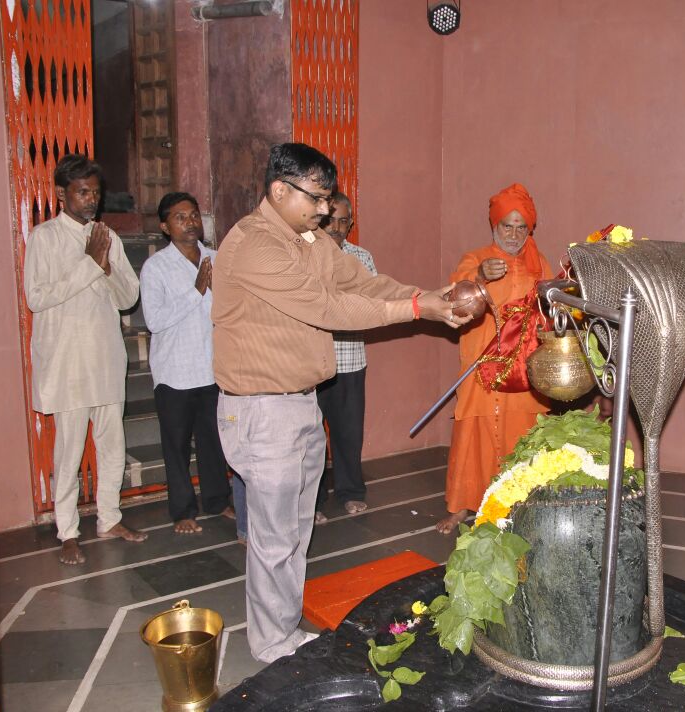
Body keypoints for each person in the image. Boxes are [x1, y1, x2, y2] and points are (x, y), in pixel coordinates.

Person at [212, 142, 471, 663]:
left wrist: (429, 295)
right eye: (318, 198)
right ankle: (271, 642)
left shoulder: (306, 236)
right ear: (279, 190)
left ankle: (281, 626)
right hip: (263, 410)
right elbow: (328, 306)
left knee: (295, 531)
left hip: (300, 404)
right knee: (275, 536)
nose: (327, 210)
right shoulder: (254, 244)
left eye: (329, 199)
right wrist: (418, 308)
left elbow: (360, 280)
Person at [23, 154, 148, 565]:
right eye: (82, 192)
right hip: (67, 362)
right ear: (62, 194)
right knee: (69, 451)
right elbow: (37, 297)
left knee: (113, 444)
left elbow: (128, 297)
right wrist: (89, 263)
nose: (90, 199)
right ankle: (67, 530)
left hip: (105, 357)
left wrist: (105, 263)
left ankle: (109, 517)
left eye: (95, 192)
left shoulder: (106, 236)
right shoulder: (44, 237)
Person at [437, 183, 553, 534]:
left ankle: (521, 502)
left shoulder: (538, 264)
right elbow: (453, 298)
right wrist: (478, 278)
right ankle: (462, 506)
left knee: (524, 432)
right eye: (508, 226)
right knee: (473, 432)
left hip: (521, 372)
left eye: (522, 227)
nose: (514, 234)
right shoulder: (475, 259)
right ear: (494, 227)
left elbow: (552, 311)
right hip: (481, 366)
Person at [140, 192, 235, 535]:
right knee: (176, 446)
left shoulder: (216, 257)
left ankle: (217, 500)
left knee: (214, 440)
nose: (190, 222)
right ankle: (182, 510)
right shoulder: (156, 267)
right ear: (165, 227)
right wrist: (195, 290)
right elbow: (155, 320)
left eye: (194, 215)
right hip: (174, 373)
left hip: (211, 367)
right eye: (180, 218)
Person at [313, 193, 372, 525]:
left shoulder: (362, 257)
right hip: (313, 363)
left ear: (351, 223)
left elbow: (369, 306)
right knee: (311, 438)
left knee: (348, 433)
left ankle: (350, 493)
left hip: (350, 362)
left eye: (343, 221)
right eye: (330, 220)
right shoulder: (307, 256)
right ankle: (315, 500)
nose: (336, 227)